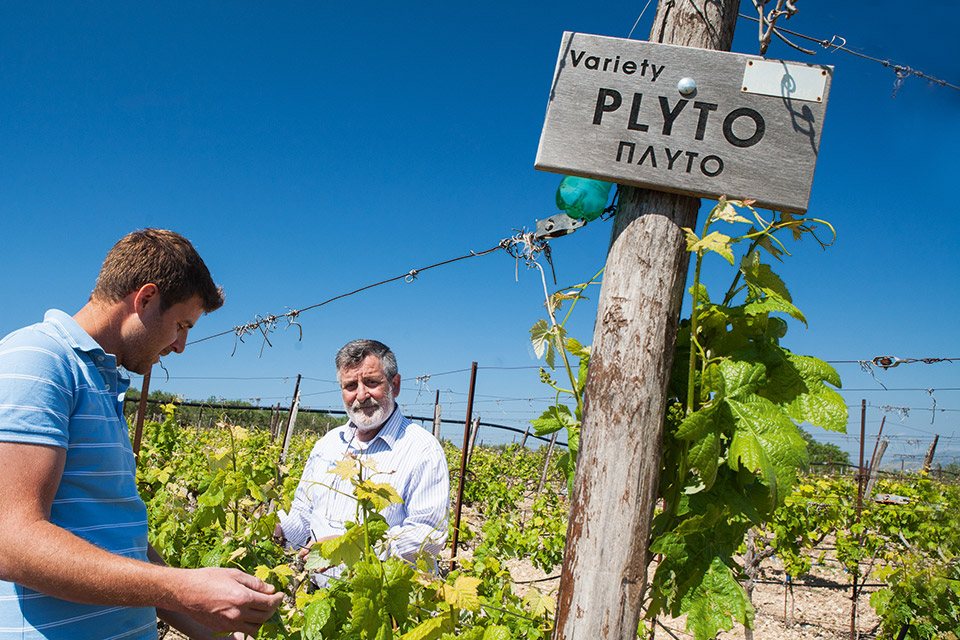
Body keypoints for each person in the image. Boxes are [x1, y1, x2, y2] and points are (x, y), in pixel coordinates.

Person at [0, 229, 283, 640]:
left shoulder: (99, 379)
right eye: (181, 325)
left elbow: (118, 540)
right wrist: (183, 588)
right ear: (145, 299)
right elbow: (11, 540)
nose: (181, 345)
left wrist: (205, 625)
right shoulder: (39, 359)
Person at [277, 339, 450, 584]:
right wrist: (277, 529)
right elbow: (303, 515)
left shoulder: (422, 449)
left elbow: (428, 534)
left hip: (385, 607)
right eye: (350, 386)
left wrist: (353, 547)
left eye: (371, 382)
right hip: (321, 598)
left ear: (395, 385)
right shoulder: (327, 444)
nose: (361, 395)